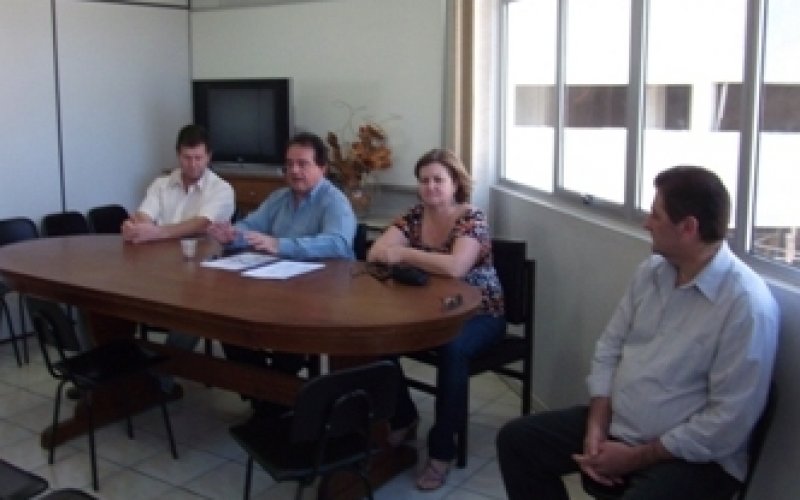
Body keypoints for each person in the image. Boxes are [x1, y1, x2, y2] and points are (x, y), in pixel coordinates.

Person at [496, 166, 779, 500]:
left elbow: (727, 423)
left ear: (688, 227)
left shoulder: (746, 305)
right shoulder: (651, 273)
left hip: (694, 457)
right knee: (517, 441)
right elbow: (609, 348)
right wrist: (596, 428)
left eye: (656, 215)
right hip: (622, 425)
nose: (646, 224)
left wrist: (635, 458)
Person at [366, 149, 505, 491]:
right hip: (429, 312)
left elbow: (456, 267)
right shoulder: (414, 216)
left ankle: (442, 450)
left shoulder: (471, 217)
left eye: (438, 180)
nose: (430, 187)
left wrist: (404, 253)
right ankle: (403, 417)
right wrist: (400, 253)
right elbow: (375, 253)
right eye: (424, 180)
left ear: (455, 183)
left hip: (480, 313)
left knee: (453, 350)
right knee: (377, 338)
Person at [207, 131, 356, 402]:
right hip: (277, 287)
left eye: (303, 164)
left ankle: (271, 400)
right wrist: (232, 235)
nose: (294, 171)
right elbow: (251, 226)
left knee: (288, 334)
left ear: (322, 168)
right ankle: (263, 396)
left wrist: (280, 245)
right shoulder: (279, 198)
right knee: (229, 323)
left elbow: (338, 243)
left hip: (321, 297)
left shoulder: (334, 202)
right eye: (289, 164)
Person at [123, 124, 234, 358]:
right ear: (177, 155)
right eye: (186, 157)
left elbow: (201, 223)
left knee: (195, 307)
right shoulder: (161, 184)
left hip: (202, 274)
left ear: (209, 157)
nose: (192, 164)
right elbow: (144, 215)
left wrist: (157, 233)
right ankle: (122, 363)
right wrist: (137, 228)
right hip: (159, 269)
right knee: (119, 294)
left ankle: (164, 369)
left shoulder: (222, 189)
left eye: (198, 158)